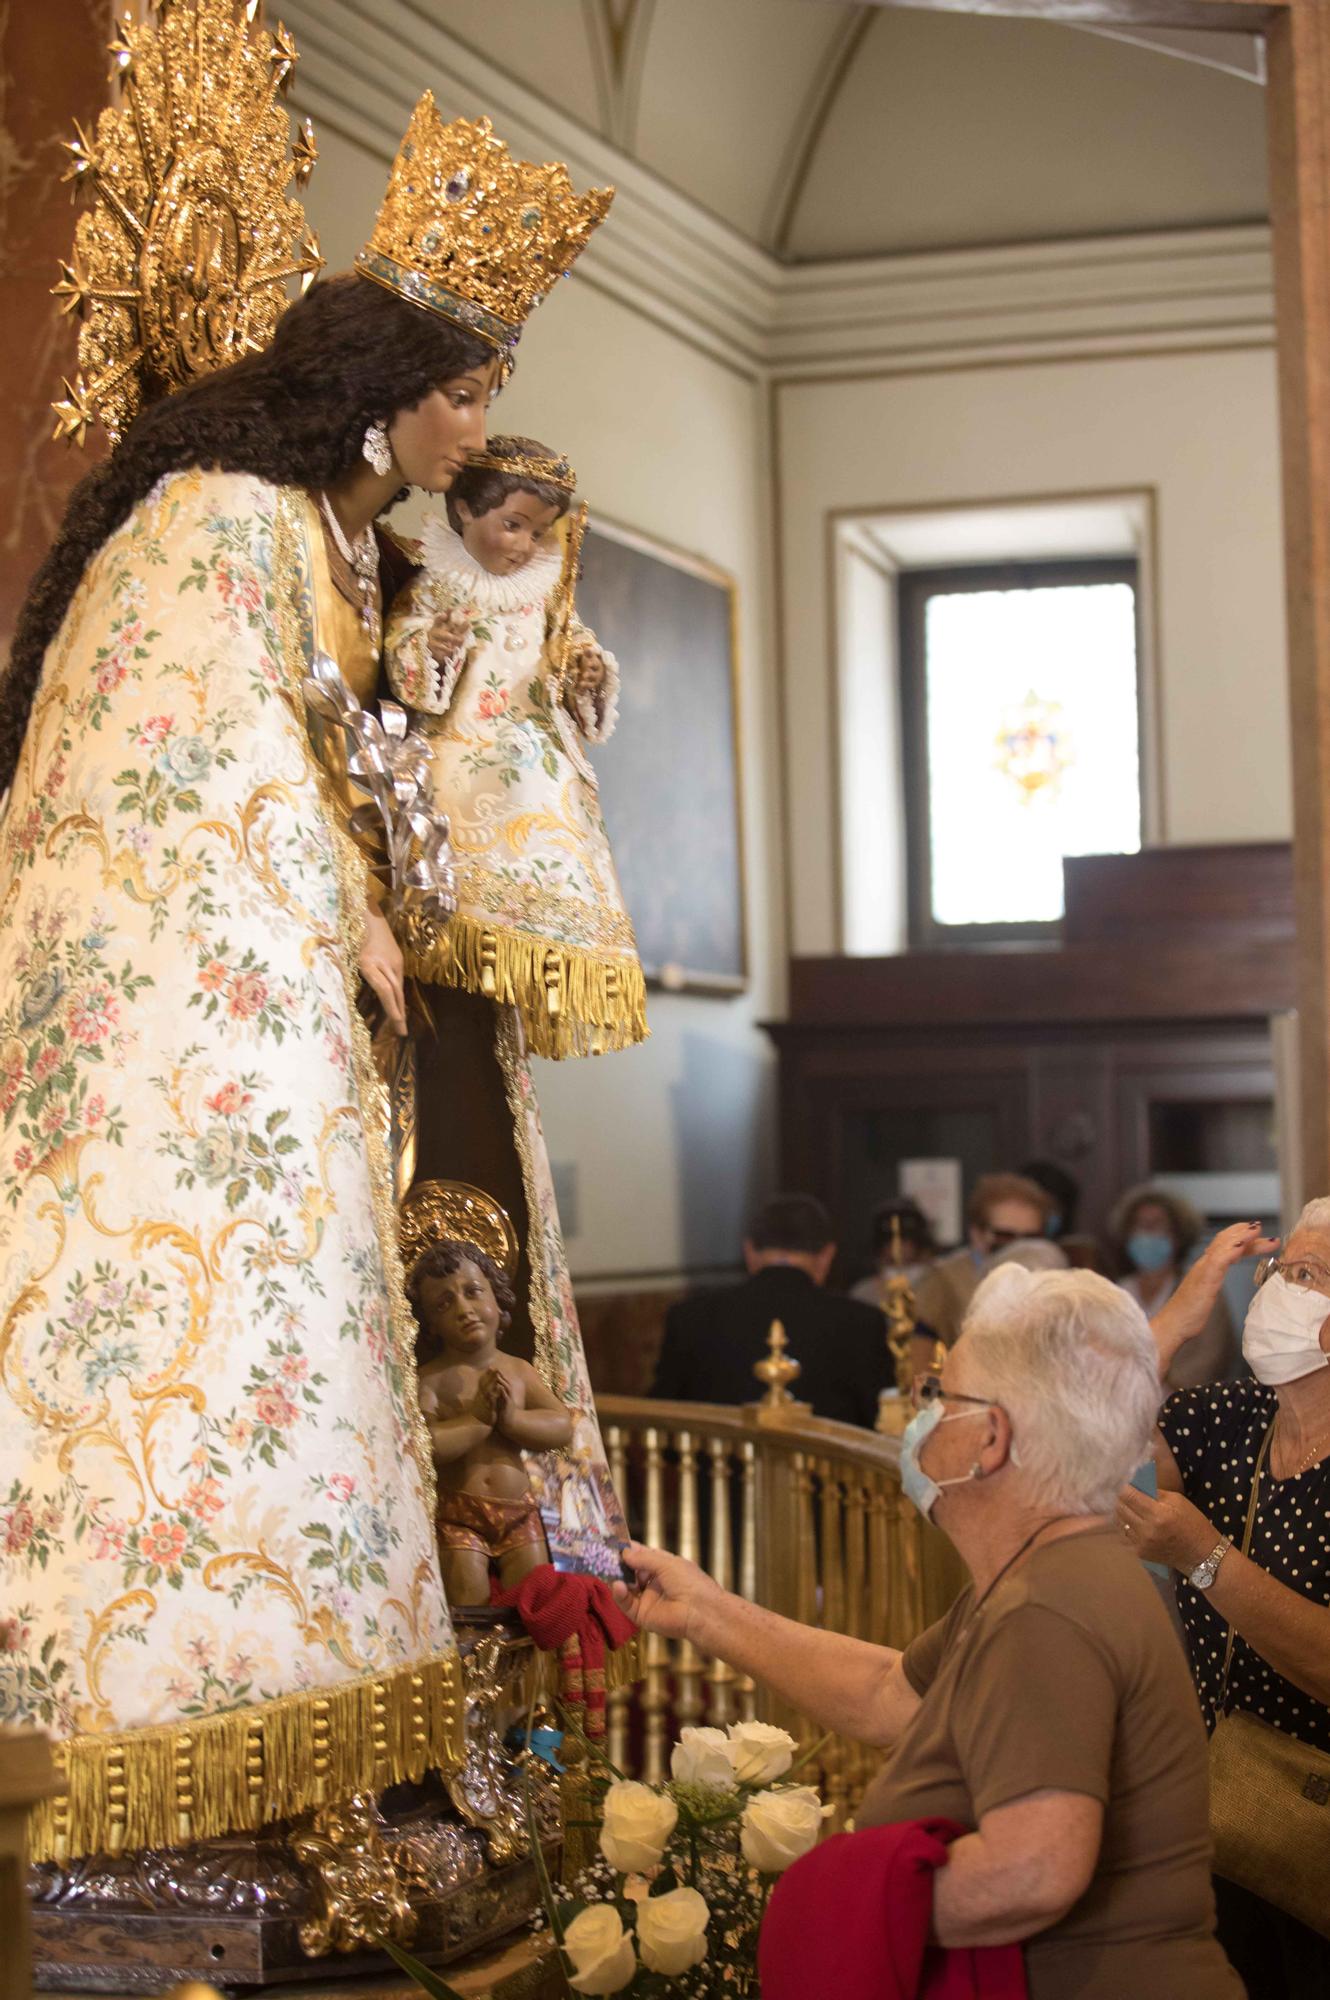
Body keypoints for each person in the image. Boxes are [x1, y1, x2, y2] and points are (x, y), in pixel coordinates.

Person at [0, 84, 612, 1861]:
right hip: (221, 990)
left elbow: (398, 741)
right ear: (380, 384)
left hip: (354, 1008)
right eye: (467, 391)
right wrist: (327, 889)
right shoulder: (223, 513)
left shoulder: (361, 550)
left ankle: (389, 1735)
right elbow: (178, 739)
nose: (481, 428)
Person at [620, 1267, 1242, 1999]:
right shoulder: (1040, 1574)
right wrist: (706, 1612)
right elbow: (891, 1694)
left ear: (990, 1438)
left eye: (939, 1395)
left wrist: (833, 1910)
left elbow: (1035, 1869)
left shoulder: (1048, 1606)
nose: (922, 1413)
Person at [1116, 1206, 1330, 1998]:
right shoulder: (1227, 1417)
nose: (1275, 1290)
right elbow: (1088, 1449)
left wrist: (1204, 1559)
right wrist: (1186, 1303)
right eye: (1277, 1272)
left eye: (1305, 1277)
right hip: (1221, 1812)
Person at [383, 433, 644, 1061]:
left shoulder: (548, 592)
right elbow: (402, 653)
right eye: (513, 525)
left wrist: (587, 671)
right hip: (463, 764)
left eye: (539, 531)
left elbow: (571, 648)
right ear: (466, 511)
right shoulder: (437, 583)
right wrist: (430, 649)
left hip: (539, 768)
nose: (526, 545)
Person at [412, 1239, 572, 1606]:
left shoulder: (518, 1370)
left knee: (530, 1603)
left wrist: (513, 1419)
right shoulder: (431, 1380)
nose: (463, 1309)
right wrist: (477, 1419)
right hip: (459, 1515)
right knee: (469, 1604)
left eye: (473, 1292)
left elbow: (561, 1426)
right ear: (431, 1325)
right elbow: (426, 1446)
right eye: (444, 1303)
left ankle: (530, 1663)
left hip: (520, 1511)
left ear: (498, 1300)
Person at [649, 1194, 890, 1428]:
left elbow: (663, 1419)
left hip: (715, 1467)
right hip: (828, 1468)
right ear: (827, 1255)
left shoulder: (690, 1318)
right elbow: (880, 1422)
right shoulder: (862, 1323)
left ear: (750, 1251)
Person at [911, 1171, 1053, 1362]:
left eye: (1031, 1238)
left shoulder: (1053, 1279)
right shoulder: (943, 1279)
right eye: (1006, 1236)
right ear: (977, 1233)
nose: (1020, 1247)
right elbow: (920, 1362)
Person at [1110, 1182, 1237, 1387]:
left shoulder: (1203, 1289)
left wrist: (1166, 1381)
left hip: (1184, 1404)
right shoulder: (1117, 1291)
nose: (1148, 1232)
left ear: (1177, 1235)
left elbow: (1214, 1353)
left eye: (1156, 1224)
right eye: (1140, 1225)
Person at [850, 1195, 936, 1308]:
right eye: (889, 1240)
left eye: (905, 1239)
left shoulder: (940, 1288)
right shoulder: (863, 1293)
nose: (898, 1246)